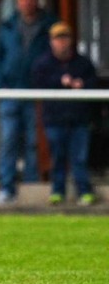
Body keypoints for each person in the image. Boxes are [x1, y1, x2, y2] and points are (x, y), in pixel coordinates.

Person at [0, 0, 58, 205]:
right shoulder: (8, 26)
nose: (26, 3)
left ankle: (31, 187)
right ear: (18, 3)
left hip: (36, 92)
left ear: (36, 1)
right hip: (11, 91)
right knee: (9, 140)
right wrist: (0, 86)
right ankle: (7, 186)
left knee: (33, 140)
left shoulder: (48, 25)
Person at [31, 21, 98, 206]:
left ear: (70, 40)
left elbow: (94, 83)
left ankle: (84, 192)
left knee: (79, 158)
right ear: (51, 41)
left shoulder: (83, 63)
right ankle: (57, 192)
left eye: (64, 38)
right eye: (58, 38)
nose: (62, 42)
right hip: (54, 118)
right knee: (58, 157)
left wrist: (82, 85)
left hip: (79, 118)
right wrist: (60, 81)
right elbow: (38, 83)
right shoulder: (43, 64)